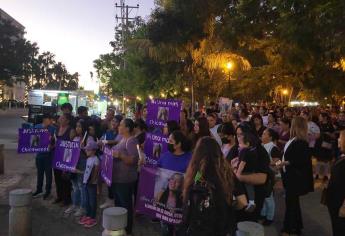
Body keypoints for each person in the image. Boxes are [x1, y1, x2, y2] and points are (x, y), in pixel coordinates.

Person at [182, 137, 235, 236]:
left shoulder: (195, 176)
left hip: (199, 228)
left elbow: (188, 210)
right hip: (220, 227)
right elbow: (240, 202)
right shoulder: (227, 173)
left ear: (198, 154)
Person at [278, 117, 314, 236]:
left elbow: (300, 160)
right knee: (293, 203)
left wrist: (285, 163)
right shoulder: (293, 140)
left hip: (295, 178)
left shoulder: (301, 142)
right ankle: (297, 227)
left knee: (291, 204)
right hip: (289, 176)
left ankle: (288, 229)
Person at [157, 130, 192, 236]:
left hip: (183, 203)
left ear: (178, 144)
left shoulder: (190, 158)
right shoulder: (164, 156)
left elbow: (198, 174)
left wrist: (190, 185)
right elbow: (156, 173)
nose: (168, 142)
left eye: (171, 141)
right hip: (165, 205)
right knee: (165, 231)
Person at [111, 119, 139, 235]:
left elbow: (134, 160)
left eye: (121, 125)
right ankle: (120, 228)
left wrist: (120, 155)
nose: (118, 126)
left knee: (125, 205)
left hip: (125, 179)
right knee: (119, 204)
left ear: (127, 128)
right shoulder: (122, 138)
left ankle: (127, 230)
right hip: (118, 178)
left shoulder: (131, 141)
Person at [64, 120, 92, 217]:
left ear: (84, 127)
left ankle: (83, 207)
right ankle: (75, 205)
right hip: (73, 165)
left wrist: (84, 148)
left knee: (81, 187)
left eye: (79, 126)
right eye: (76, 126)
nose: (77, 128)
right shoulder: (75, 138)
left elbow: (91, 153)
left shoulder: (89, 138)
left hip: (82, 165)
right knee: (75, 187)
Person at [260, 128, 282, 225]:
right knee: (264, 195)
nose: (262, 135)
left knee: (269, 197)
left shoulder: (273, 148)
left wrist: (268, 163)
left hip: (270, 175)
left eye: (265, 134)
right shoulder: (263, 146)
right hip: (264, 174)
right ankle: (263, 213)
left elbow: (279, 162)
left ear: (270, 137)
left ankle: (270, 217)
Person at [32, 114, 56, 200]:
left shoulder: (53, 128)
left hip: (49, 155)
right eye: (46, 119)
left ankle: (48, 191)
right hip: (39, 154)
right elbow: (33, 137)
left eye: (49, 120)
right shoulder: (37, 126)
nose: (47, 121)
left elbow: (55, 140)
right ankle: (39, 189)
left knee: (48, 174)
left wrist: (52, 144)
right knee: (40, 173)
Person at [53, 113, 75, 206]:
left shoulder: (71, 130)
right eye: (60, 117)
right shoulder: (57, 129)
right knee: (57, 178)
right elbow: (55, 141)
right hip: (57, 156)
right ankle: (59, 196)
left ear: (67, 120)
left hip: (66, 158)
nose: (60, 119)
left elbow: (72, 145)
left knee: (65, 179)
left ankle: (67, 199)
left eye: (62, 118)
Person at [326, 130, 345, 236]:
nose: (338, 140)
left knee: (340, 228)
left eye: (340, 138)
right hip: (335, 200)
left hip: (340, 202)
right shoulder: (342, 155)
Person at [78, 141, 100, 228]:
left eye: (88, 150)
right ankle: (88, 215)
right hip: (85, 182)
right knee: (87, 200)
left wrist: (92, 181)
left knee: (92, 201)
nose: (86, 151)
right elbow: (87, 171)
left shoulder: (96, 160)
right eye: (86, 149)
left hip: (91, 184)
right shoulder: (88, 159)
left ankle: (93, 217)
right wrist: (78, 171)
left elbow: (96, 172)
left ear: (94, 151)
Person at [314, 112, 335, 180]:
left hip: (327, 143)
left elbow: (334, 136)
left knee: (326, 159)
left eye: (320, 116)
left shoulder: (330, 125)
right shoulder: (317, 124)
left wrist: (329, 134)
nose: (319, 118)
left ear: (325, 117)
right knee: (319, 159)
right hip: (319, 143)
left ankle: (326, 175)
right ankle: (317, 174)